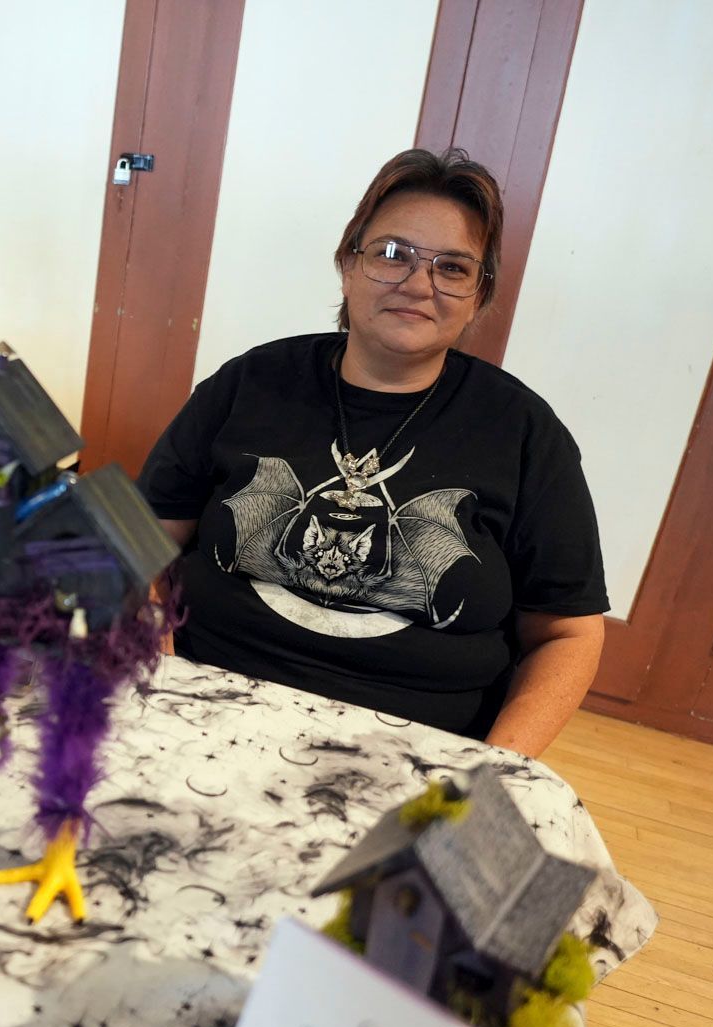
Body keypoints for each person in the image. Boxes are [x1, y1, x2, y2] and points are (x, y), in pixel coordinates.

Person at [138, 148, 605, 755]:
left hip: (413, 748)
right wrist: (154, 662)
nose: (418, 284)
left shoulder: (523, 433)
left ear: (478, 295)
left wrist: (495, 766)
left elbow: (568, 633)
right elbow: (139, 538)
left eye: (453, 268)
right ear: (348, 263)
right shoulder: (252, 383)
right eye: (392, 254)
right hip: (206, 702)